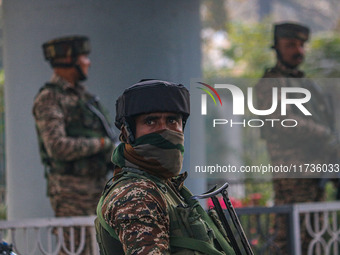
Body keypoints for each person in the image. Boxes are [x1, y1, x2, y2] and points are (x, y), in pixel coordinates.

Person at [95, 79, 236, 255]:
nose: (164, 130)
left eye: (172, 120)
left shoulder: (166, 187)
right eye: (151, 121)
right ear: (128, 133)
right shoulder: (137, 194)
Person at [255, 23, 338, 254]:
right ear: (277, 47)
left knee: (315, 235)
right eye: (290, 44)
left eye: (301, 45)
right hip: (292, 174)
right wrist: (323, 134)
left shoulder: (307, 84)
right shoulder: (271, 83)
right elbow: (282, 119)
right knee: (288, 237)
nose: (298, 50)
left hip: (315, 171)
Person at [33, 35, 115, 254]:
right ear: (68, 60)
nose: (88, 62)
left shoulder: (85, 99)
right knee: (75, 250)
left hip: (97, 188)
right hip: (71, 193)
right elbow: (57, 146)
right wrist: (100, 144)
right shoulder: (49, 98)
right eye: (84, 57)